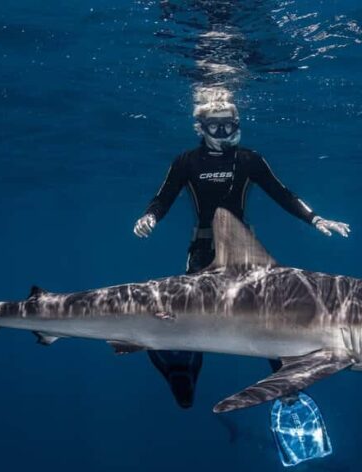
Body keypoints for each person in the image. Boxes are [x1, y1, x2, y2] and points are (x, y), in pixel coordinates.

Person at [134, 99, 349, 409]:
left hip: (244, 254)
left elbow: (282, 193)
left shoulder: (250, 160)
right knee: (190, 325)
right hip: (202, 252)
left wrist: (315, 218)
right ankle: (179, 369)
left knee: (270, 319)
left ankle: (288, 390)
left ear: (237, 125)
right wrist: (150, 217)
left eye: (228, 125)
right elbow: (163, 196)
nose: (222, 132)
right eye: (214, 125)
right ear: (200, 128)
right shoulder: (186, 162)